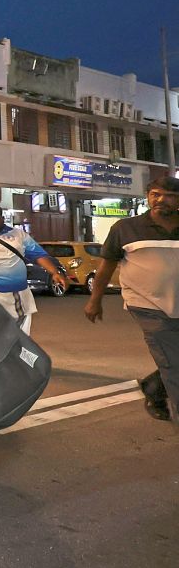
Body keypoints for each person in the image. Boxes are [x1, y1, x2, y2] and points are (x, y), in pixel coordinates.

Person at [86, 176, 179, 424]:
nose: (160, 200)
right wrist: (95, 300)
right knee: (173, 362)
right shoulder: (125, 228)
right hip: (147, 306)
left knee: (173, 358)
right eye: (155, 194)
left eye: (168, 195)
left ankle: (153, 388)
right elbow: (106, 267)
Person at [0, 204, 67, 334]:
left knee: (17, 333)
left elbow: (38, 255)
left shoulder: (18, 235)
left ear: (2, 218)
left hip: (16, 294)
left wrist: (55, 273)